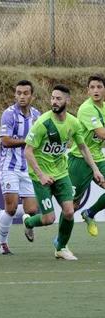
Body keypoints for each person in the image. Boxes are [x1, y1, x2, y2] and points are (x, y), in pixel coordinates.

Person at [23, 84, 104, 260]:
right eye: (52, 98)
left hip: (61, 173)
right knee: (48, 219)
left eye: (58, 98)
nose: (54, 101)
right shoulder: (43, 123)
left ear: (67, 100)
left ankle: (61, 247)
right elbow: (27, 151)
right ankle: (28, 222)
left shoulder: (73, 122)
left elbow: (83, 147)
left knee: (68, 211)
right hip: (41, 176)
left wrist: (96, 170)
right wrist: (41, 174)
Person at [0, 80, 40, 255]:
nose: (22, 96)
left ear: (32, 96)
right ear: (15, 95)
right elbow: (5, 140)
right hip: (9, 167)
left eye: (26, 93)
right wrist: (28, 141)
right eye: (18, 93)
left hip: (28, 168)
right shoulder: (9, 114)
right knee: (11, 208)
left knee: (32, 210)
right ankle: (2, 243)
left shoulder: (37, 115)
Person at [68, 74, 105, 237]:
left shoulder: (104, 107)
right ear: (87, 91)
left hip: (97, 158)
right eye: (92, 87)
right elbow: (102, 133)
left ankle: (90, 213)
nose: (96, 90)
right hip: (80, 160)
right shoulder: (87, 109)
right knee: (71, 205)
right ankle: (61, 242)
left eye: (99, 87)